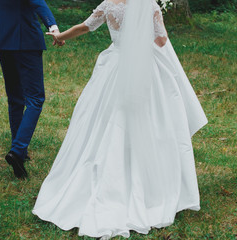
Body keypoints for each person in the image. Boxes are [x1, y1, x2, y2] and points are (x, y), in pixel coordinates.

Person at [33, 0, 208, 238]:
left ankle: (108, 173)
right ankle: (149, 183)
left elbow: (85, 27)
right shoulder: (150, 6)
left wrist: (59, 35)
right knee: (150, 120)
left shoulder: (109, 5)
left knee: (106, 120)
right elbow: (162, 40)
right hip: (146, 69)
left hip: (115, 67)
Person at [0, 0, 64, 179]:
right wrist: (53, 27)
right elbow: (38, 2)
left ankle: (19, 151)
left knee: (15, 98)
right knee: (36, 99)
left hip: (4, 42)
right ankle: (17, 151)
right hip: (28, 43)